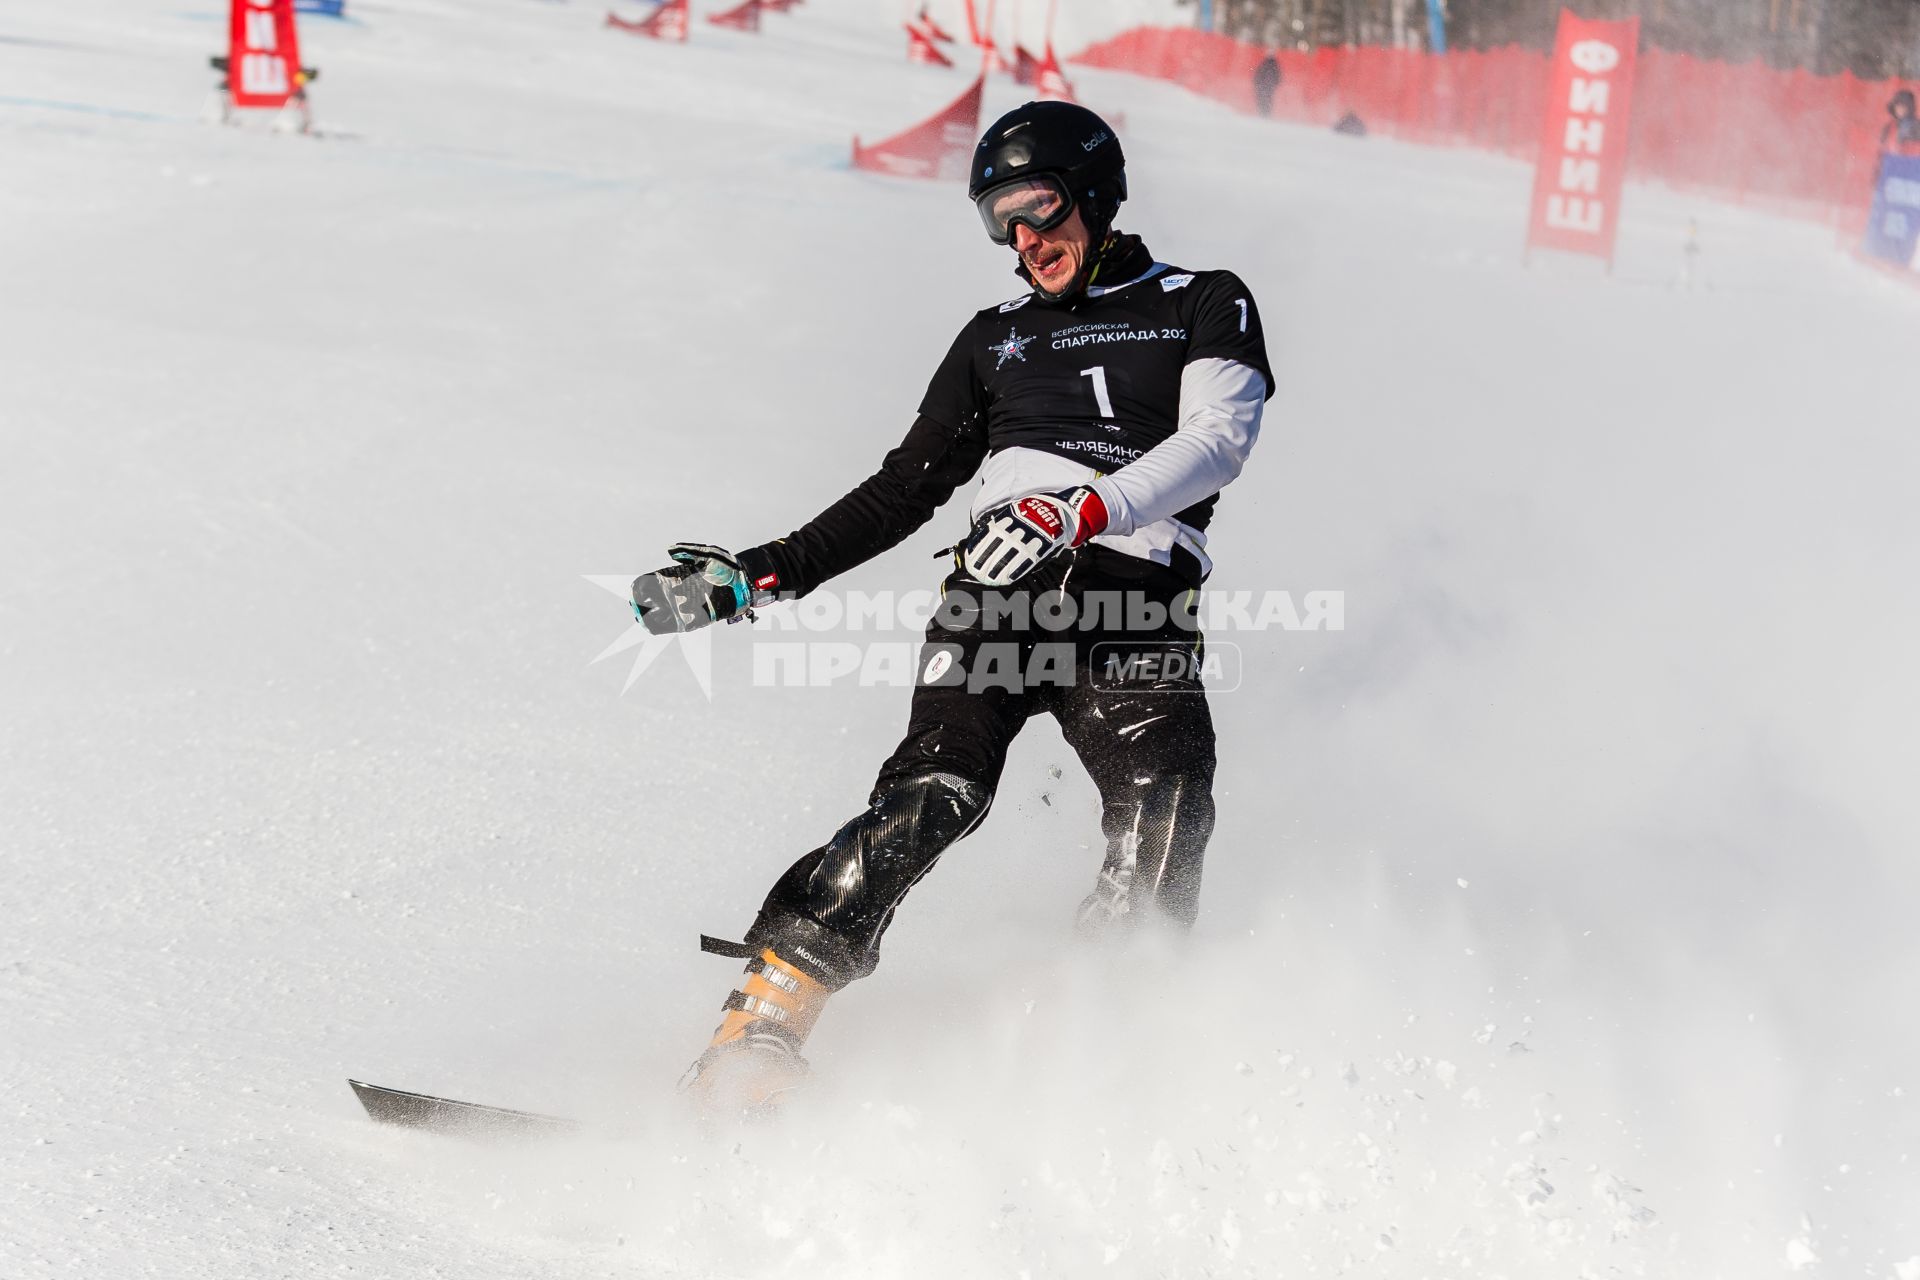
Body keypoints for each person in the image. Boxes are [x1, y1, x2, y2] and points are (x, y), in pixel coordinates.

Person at [639, 102, 1273, 1116]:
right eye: (1001, 221)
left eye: (1042, 208)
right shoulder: (997, 340)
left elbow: (1219, 438)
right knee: (934, 795)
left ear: (1099, 195)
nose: (1027, 239)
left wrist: (1084, 508)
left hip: (1134, 607)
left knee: (1166, 810)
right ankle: (756, 1026)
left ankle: (1092, 1058)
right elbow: (902, 490)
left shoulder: (1203, 301)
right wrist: (756, 573)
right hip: (1000, 595)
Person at [1883, 89, 1920, 156]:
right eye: (1897, 106)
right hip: (1891, 162)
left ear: (1910, 107)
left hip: (1912, 162)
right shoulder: (1889, 127)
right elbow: (1882, 148)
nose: (1900, 109)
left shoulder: (1917, 126)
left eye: (1903, 106)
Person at [1253, 50, 1282, 118]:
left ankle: (1263, 112)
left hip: (1264, 86)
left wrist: (1257, 82)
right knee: (1267, 99)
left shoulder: (1265, 64)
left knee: (1263, 99)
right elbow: (1278, 77)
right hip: (1268, 87)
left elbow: (1258, 74)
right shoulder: (1274, 65)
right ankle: (1265, 113)